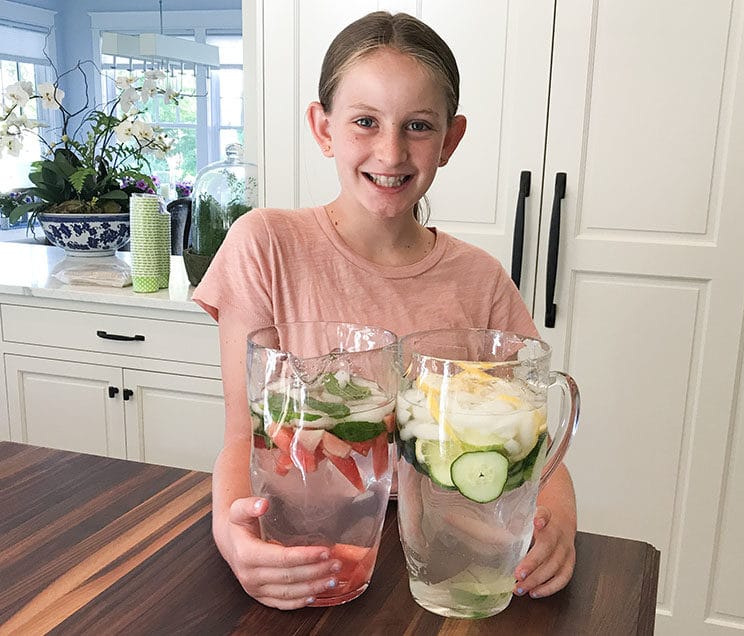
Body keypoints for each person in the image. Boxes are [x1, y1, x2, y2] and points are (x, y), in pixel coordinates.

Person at [193, 11, 577, 610]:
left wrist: (557, 527)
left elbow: (533, 444)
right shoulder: (263, 245)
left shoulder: (481, 281)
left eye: (419, 126)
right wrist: (233, 534)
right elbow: (242, 437)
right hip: (308, 542)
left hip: (446, 561)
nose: (391, 151)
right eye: (365, 121)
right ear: (323, 128)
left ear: (450, 140)